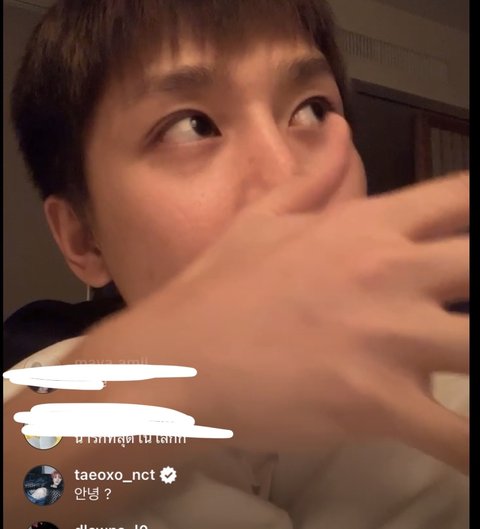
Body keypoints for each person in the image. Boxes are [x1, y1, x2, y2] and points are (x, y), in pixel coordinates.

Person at [4, 0, 468, 527]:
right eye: (192, 126)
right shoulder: (36, 400)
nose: (285, 171)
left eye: (312, 111)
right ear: (85, 239)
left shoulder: (447, 387)